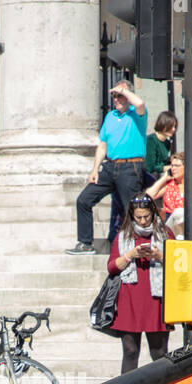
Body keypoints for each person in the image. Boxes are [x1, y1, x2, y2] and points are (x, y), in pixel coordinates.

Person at [109, 194, 172, 384]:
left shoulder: (164, 233)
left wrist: (160, 255)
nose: (143, 221)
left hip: (156, 299)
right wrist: (130, 255)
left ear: (153, 214)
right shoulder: (123, 235)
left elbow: (180, 261)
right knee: (130, 351)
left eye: (147, 216)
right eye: (139, 217)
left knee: (160, 354)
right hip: (130, 299)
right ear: (132, 216)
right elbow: (111, 267)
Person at [66, 81, 146, 255]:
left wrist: (124, 90)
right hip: (110, 166)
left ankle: (137, 246)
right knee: (84, 200)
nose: (116, 99)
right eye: (114, 96)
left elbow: (140, 104)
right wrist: (94, 169)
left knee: (131, 209)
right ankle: (85, 243)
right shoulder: (110, 116)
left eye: (120, 95)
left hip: (130, 167)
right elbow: (102, 145)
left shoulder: (136, 114)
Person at [145, 151, 192, 238]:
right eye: (172, 165)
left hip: (190, 223)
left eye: (177, 166)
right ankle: (180, 240)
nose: (173, 169)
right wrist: (163, 179)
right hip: (171, 223)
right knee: (179, 212)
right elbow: (147, 196)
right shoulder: (168, 185)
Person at [143, 110, 178, 185]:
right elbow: (149, 166)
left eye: (175, 126)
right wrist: (164, 168)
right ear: (163, 125)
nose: (174, 129)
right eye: (171, 126)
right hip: (148, 177)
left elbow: (163, 162)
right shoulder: (151, 140)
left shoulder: (167, 143)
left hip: (159, 175)